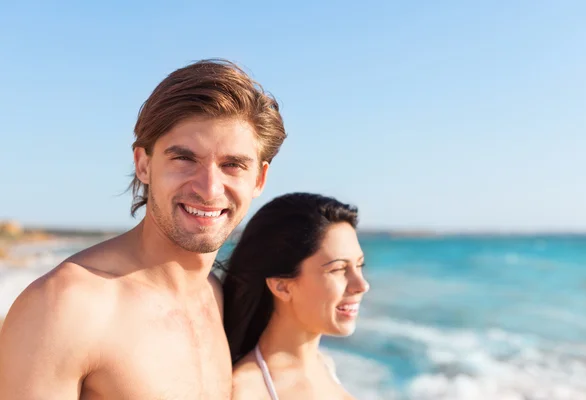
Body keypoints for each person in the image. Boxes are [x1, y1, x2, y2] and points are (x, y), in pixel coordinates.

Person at [0, 59, 287, 399]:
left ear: (259, 179)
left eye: (232, 165)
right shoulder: (65, 307)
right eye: (184, 159)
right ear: (143, 164)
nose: (209, 188)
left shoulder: (217, 295)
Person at [219, 192, 370, 400]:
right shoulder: (247, 392)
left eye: (359, 265)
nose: (362, 285)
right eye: (338, 269)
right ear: (282, 286)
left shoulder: (324, 364)